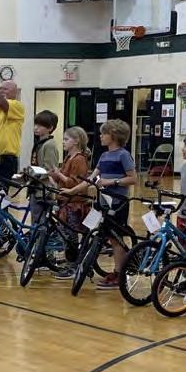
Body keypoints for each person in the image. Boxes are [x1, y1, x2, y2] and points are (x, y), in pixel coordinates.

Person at [67, 119, 135, 290]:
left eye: (104, 133)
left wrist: (112, 182)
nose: (100, 136)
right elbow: (91, 179)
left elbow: (133, 178)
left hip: (117, 202)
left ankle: (119, 274)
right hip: (103, 202)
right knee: (93, 230)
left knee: (115, 239)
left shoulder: (123, 155)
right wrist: (72, 191)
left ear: (114, 136)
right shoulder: (104, 156)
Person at [48, 126, 91, 279]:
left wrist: (59, 175)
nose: (63, 142)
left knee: (71, 237)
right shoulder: (68, 158)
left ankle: (73, 267)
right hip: (64, 201)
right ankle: (71, 263)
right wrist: (54, 175)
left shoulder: (79, 159)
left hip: (74, 203)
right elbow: (63, 180)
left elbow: (74, 183)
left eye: (66, 139)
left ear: (76, 141)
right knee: (66, 235)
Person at [27, 110, 59, 260]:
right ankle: (39, 252)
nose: (36, 128)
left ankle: (45, 254)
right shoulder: (39, 143)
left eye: (40, 126)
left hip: (44, 190)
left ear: (50, 128)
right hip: (36, 187)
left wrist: (33, 174)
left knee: (41, 223)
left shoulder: (49, 145)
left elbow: (50, 170)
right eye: (35, 125)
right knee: (36, 221)